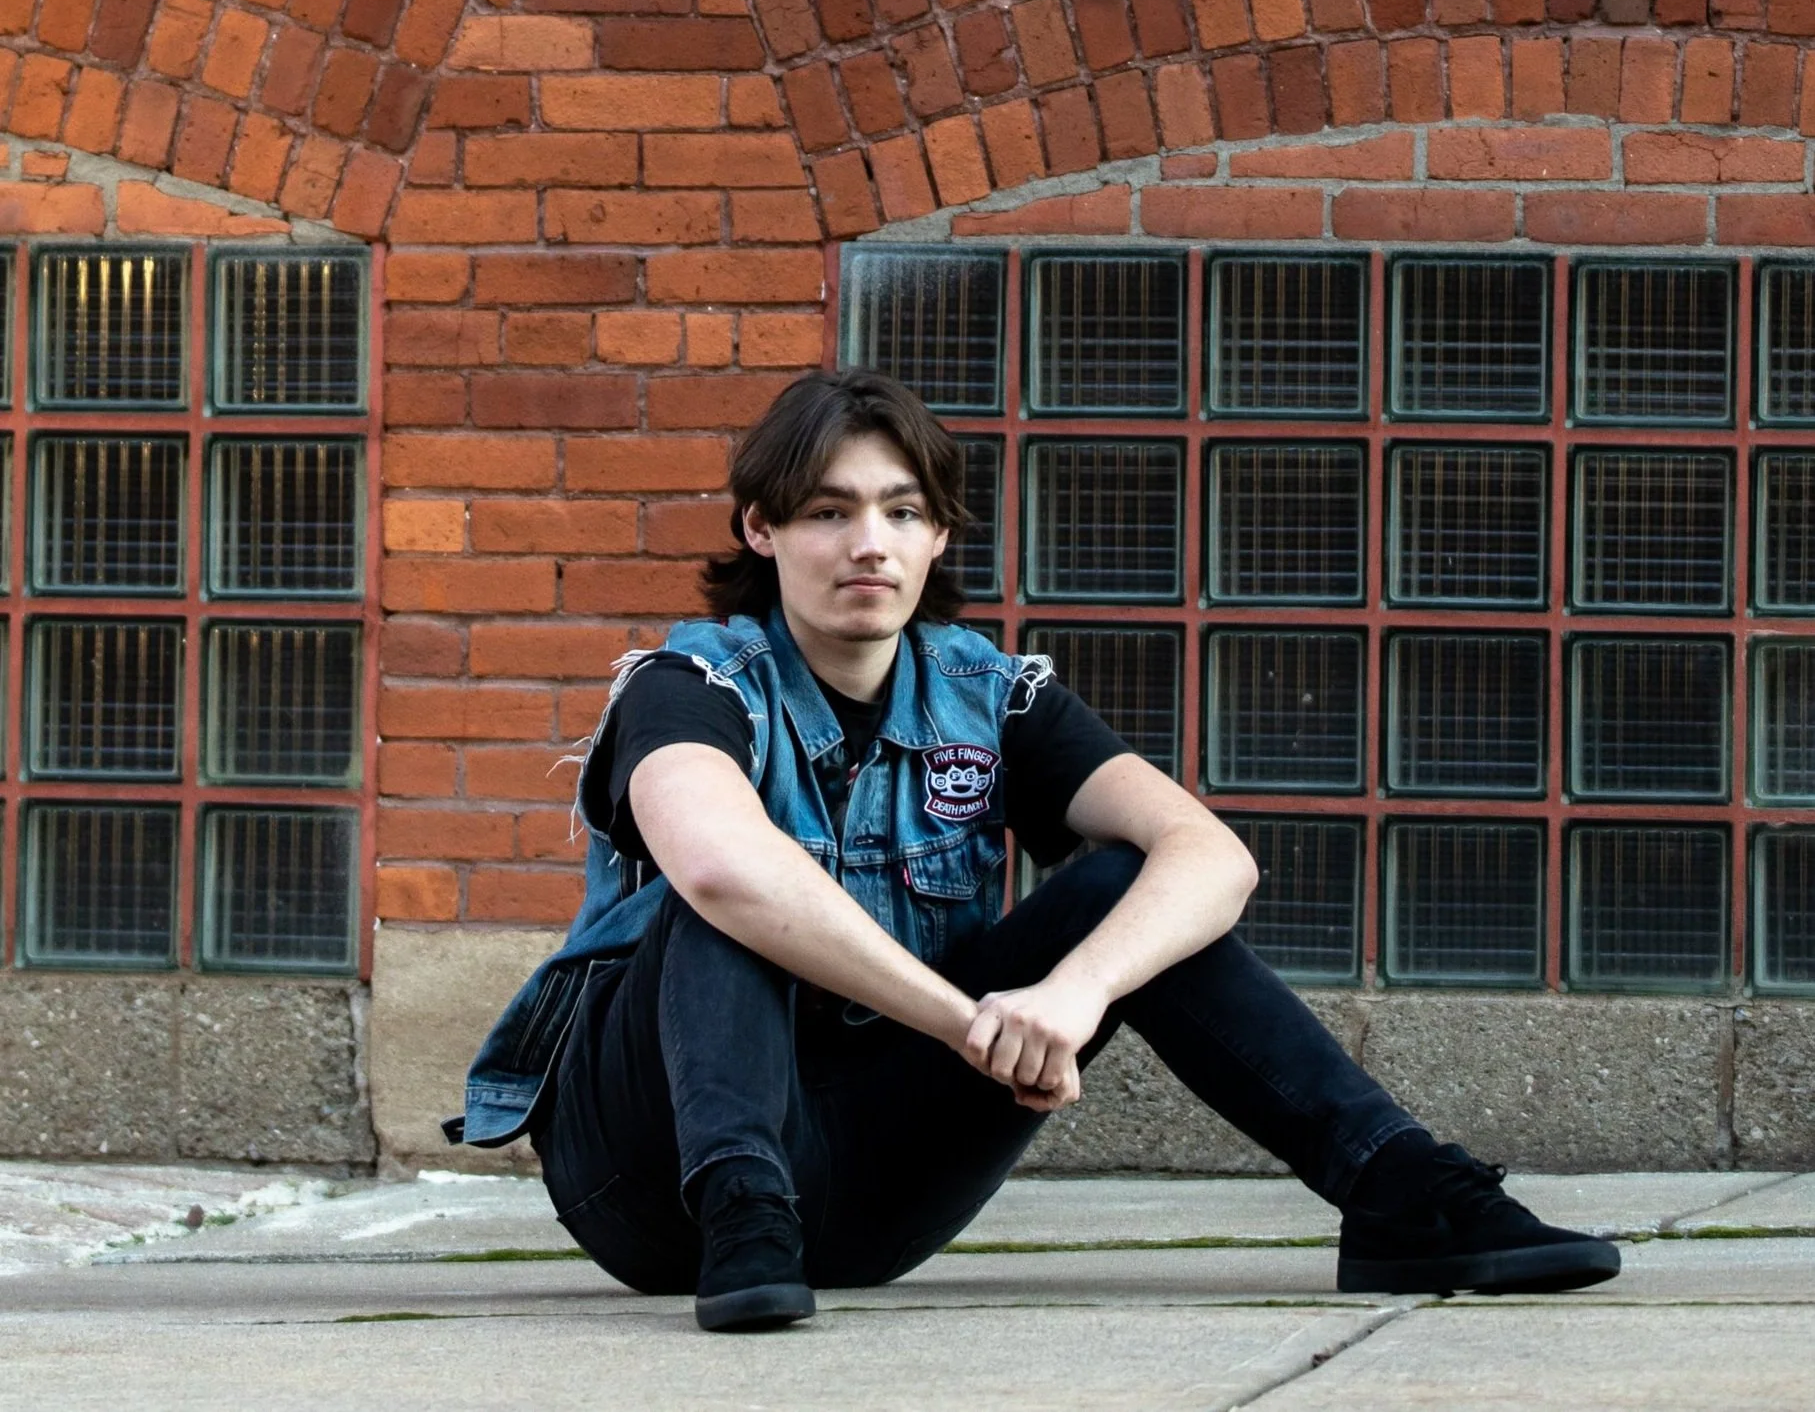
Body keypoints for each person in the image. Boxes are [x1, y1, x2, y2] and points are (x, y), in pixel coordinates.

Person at [456, 368, 1619, 1332]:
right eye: (828, 509)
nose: (871, 542)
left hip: (871, 1193)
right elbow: (716, 867)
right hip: (657, 1187)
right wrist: (973, 1024)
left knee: (1130, 887)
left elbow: (1213, 857)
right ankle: (745, 1200)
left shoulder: (989, 695)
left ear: (938, 532)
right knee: (747, 892)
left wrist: (1071, 994)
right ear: (762, 529)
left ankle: (1399, 1189)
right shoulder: (694, 683)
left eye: (903, 510)